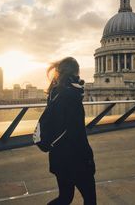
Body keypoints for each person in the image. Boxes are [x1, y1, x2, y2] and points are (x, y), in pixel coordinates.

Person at [46, 57, 97, 205]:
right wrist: (89, 159)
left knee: (65, 197)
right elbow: (77, 134)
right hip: (76, 160)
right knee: (90, 200)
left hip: (58, 157)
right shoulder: (71, 96)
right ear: (75, 73)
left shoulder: (54, 92)